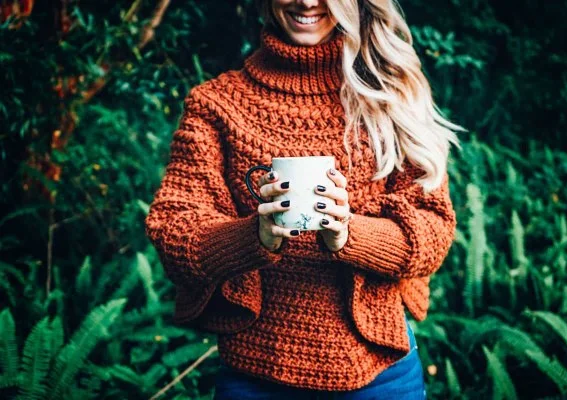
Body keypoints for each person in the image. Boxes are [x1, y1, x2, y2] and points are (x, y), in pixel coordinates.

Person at [145, 0, 464, 398]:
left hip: (381, 373)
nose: (308, 1)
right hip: (255, 375)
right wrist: (255, 237)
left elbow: (432, 232)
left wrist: (350, 237)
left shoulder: (389, 96)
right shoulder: (215, 106)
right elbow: (176, 235)